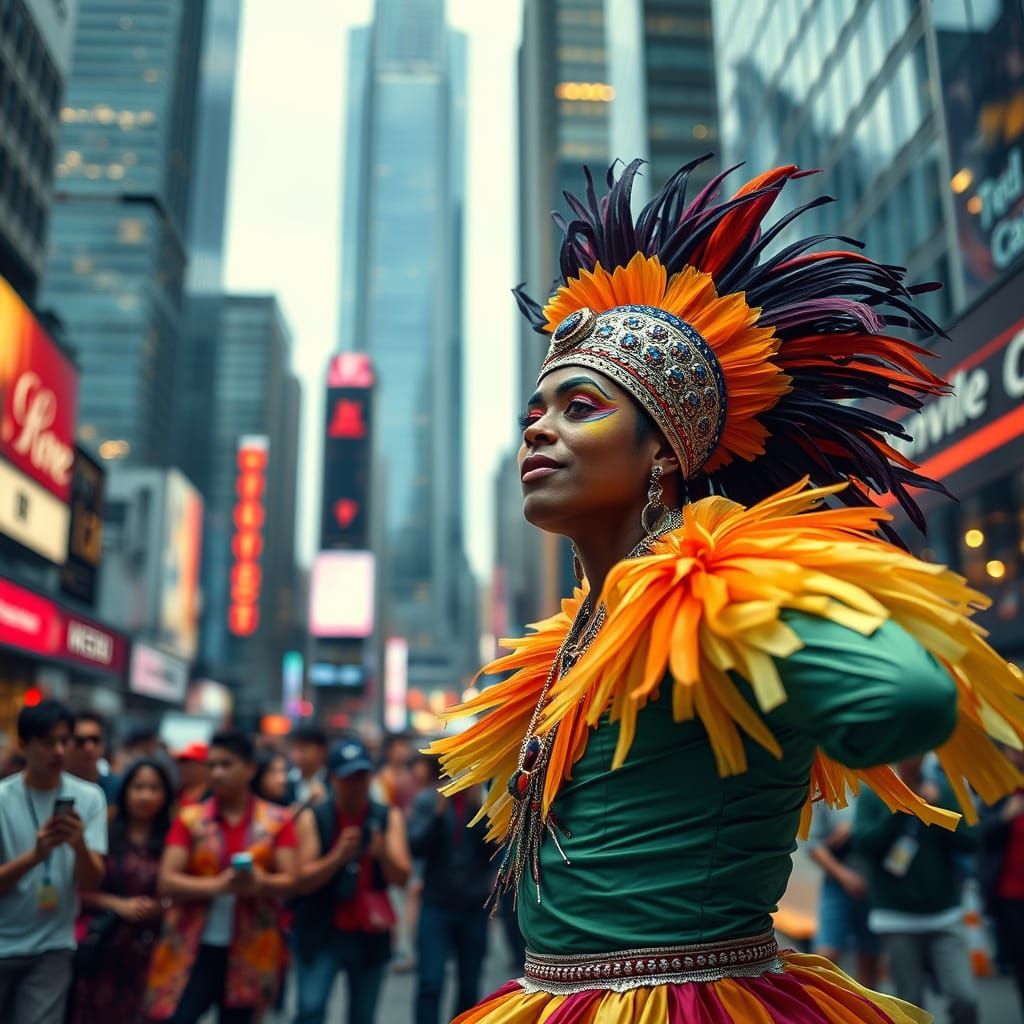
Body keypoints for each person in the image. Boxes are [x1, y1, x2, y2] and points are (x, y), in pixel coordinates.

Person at [427, 157, 1024, 1024]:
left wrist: (825, 688)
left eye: (580, 408)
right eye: (535, 415)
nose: (539, 432)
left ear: (663, 454)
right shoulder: (582, 628)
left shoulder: (717, 578)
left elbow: (905, 696)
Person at [144, 729, 298, 1024]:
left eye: (226, 764)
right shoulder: (190, 818)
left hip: (252, 947)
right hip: (192, 943)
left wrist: (259, 883)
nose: (216, 773)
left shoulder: (277, 820)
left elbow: (292, 881)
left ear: (250, 769)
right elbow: (167, 880)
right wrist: (218, 886)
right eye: (212, 765)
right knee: (177, 1016)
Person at [0, 700, 106, 1024]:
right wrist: (36, 857)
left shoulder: (89, 797)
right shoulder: (2, 799)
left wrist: (79, 846)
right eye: (48, 742)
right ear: (24, 745)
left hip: (53, 945)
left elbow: (92, 882)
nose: (59, 751)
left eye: (65, 741)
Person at [292, 737, 412, 1024]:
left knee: (362, 1014)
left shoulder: (387, 817)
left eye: (362, 776)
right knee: (310, 1008)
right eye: (348, 778)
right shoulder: (314, 817)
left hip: (369, 932)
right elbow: (301, 880)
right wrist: (338, 857)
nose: (356, 785)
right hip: (322, 929)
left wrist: (382, 854)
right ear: (333, 778)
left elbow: (402, 876)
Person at [854, 756, 980, 1022]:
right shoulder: (874, 793)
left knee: (964, 997)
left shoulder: (942, 788)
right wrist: (902, 808)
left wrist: (938, 809)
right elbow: (864, 844)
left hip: (944, 913)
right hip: (895, 916)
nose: (913, 757)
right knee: (910, 1002)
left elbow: (971, 841)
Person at [70, 757, 173, 1024]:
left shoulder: (174, 839)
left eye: (154, 788)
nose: (145, 796)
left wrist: (160, 907)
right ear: (125, 792)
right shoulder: (106, 834)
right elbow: (80, 890)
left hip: (155, 951)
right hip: (105, 946)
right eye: (138, 787)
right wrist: (118, 904)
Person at [408, 759, 493, 1024]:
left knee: (469, 983)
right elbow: (416, 847)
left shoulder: (482, 803)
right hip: (436, 904)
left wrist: (478, 809)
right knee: (430, 981)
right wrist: (437, 814)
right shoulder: (427, 801)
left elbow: (493, 850)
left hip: (473, 906)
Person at [805, 797, 880, 986]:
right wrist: (844, 876)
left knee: (870, 957)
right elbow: (811, 843)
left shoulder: (878, 785)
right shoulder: (824, 788)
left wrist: (858, 827)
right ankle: (820, 1002)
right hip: (836, 883)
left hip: (875, 885)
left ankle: (865, 1004)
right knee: (826, 955)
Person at [979, 741, 1024, 1014]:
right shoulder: (998, 789)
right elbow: (980, 835)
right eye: (1012, 748)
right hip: (1010, 893)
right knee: (1021, 963)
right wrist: (1005, 817)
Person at [67, 711, 120, 805]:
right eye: (80, 741)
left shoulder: (116, 789)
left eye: (95, 740)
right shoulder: (52, 784)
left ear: (103, 744)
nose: (89, 748)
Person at [288, 723, 329, 806]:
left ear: (321, 750)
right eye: (294, 748)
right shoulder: (286, 780)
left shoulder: (333, 781)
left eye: (303, 749)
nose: (296, 755)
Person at [175, 742, 211, 807]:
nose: (184, 768)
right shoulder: (175, 792)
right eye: (183, 763)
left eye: (191, 764)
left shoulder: (214, 795)